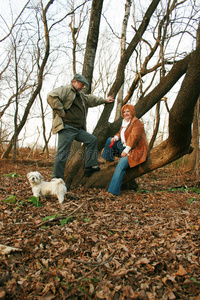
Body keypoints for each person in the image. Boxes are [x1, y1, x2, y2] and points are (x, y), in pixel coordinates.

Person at [47, 73, 114, 179]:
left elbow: (91, 99)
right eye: (81, 84)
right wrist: (62, 112)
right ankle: (56, 180)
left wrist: (105, 100)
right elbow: (51, 96)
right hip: (67, 128)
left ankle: (89, 166)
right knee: (62, 155)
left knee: (92, 139)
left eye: (84, 85)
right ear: (74, 82)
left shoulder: (81, 95)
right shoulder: (65, 90)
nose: (83, 87)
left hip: (78, 129)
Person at [102, 104, 149, 196]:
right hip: (125, 147)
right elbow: (120, 133)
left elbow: (134, 137)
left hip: (135, 150)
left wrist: (126, 150)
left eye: (128, 111)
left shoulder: (137, 123)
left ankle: (112, 192)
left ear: (132, 112)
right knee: (109, 140)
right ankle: (109, 161)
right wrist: (115, 138)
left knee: (121, 164)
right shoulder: (124, 122)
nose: (126, 113)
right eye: (124, 112)